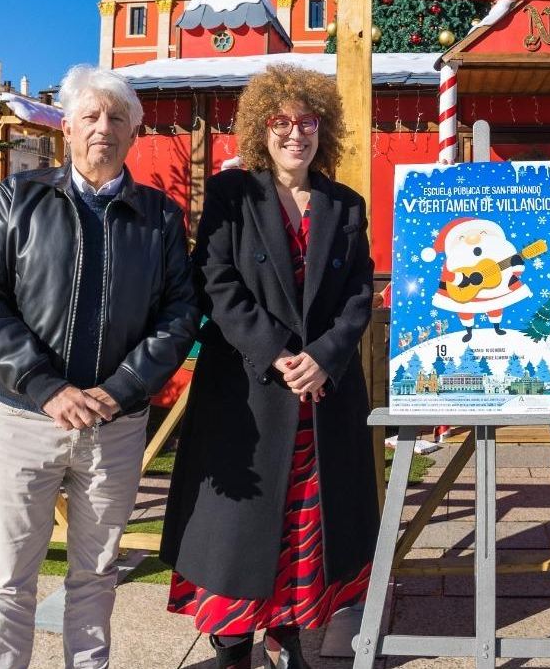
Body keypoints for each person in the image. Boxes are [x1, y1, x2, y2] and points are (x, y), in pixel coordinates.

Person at [0, 66, 200, 669]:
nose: (102, 128)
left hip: (114, 427)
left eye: (117, 118)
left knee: (96, 572)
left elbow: (179, 313)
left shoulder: (158, 217)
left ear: (133, 134)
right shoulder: (19, 198)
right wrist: (45, 386)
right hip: (26, 419)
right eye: (90, 116)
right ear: (66, 128)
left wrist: (122, 389)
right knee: (11, 574)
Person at [161, 63, 378, 669]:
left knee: (305, 525)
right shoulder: (232, 195)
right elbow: (216, 281)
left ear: (322, 129)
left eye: (306, 122)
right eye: (281, 122)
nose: (294, 134)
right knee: (237, 530)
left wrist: (324, 358)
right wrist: (278, 352)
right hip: (249, 391)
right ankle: (232, 646)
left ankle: (291, 636)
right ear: (262, 128)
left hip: (320, 399)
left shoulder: (346, 204)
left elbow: (360, 293)